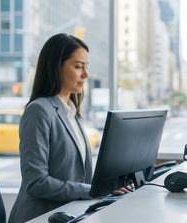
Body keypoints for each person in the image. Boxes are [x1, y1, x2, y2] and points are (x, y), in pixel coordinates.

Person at [8, 34, 130, 223]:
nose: (86, 74)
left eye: (86, 67)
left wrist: (110, 186)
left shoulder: (72, 112)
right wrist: (92, 191)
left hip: (69, 213)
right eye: (78, 66)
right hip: (39, 217)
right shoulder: (38, 111)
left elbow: (79, 174)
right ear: (56, 67)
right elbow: (36, 182)